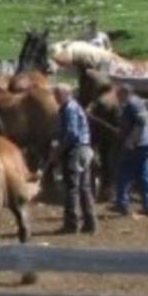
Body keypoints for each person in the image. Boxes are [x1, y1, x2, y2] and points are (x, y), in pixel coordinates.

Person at [52, 85, 96, 234]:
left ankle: (71, 224)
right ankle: (90, 223)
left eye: (57, 95)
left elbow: (71, 133)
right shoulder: (74, 107)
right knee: (85, 187)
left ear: (65, 94)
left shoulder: (69, 108)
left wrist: (59, 150)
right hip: (85, 149)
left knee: (72, 187)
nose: (55, 98)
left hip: (76, 150)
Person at [114, 85, 148, 217]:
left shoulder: (132, 104)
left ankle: (122, 203)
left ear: (126, 93)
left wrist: (130, 141)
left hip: (138, 144)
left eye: (119, 94)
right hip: (145, 143)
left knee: (124, 173)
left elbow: (141, 123)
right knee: (145, 174)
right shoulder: (138, 102)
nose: (117, 97)